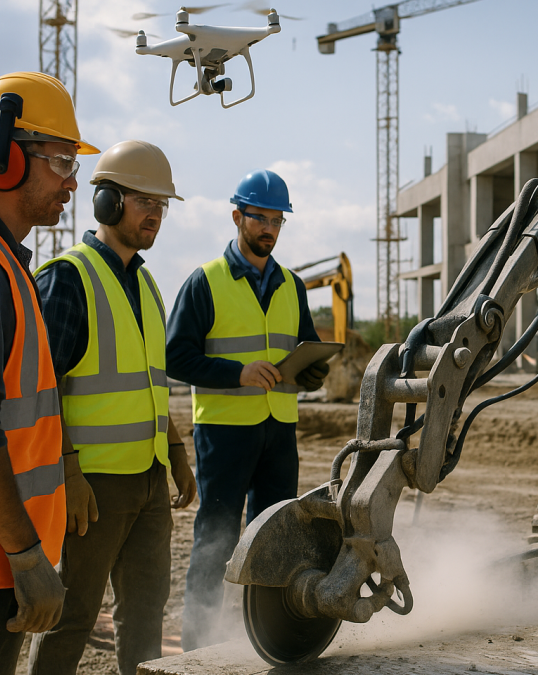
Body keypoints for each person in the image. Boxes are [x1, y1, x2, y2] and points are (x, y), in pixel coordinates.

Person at [27, 140, 196, 675]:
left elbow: (150, 384)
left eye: (161, 205)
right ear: (106, 203)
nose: (156, 215)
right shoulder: (68, 279)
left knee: (145, 615)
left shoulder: (146, 283)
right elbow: (38, 392)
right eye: (145, 201)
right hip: (91, 487)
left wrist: (176, 452)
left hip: (147, 481)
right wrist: (69, 472)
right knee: (71, 615)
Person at [0, 71, 98, 675]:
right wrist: (25, 556)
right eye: (62, 160)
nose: (74, 181)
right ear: (1, 158)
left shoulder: (2, 265)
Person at [167, 169, 326, 650]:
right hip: (223, 431)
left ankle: (263, 641)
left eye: (278, 221)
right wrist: (236, 373)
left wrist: (315, 369)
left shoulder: (292, 285)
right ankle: (198, 649)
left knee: (276, 540)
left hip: (279, 432)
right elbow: (175, 356)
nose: (270, 230)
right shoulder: (205, 282)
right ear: (238, 216)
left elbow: (307, 346)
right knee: (214, 542)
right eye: (261, 219)